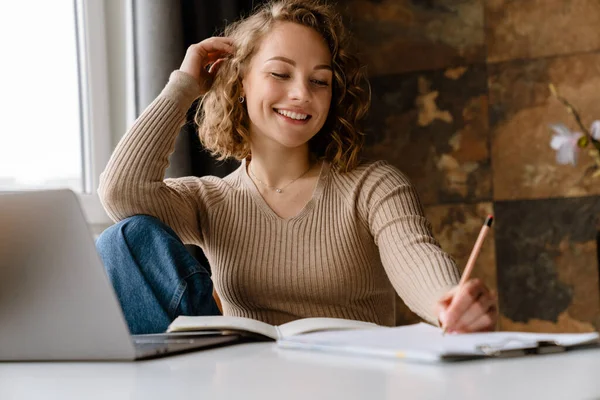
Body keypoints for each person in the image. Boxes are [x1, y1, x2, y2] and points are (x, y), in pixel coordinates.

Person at [95, 0, 498, 335]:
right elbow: (120, 194)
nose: (301, 94)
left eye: (320, 81)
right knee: (123, 239)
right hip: (250, 384)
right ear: (239, 82)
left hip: (353, 385)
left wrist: (449, 303)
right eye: (280, 73)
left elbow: (416, 257)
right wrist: (183, 86)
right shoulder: (209, 201)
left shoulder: (372, 187)